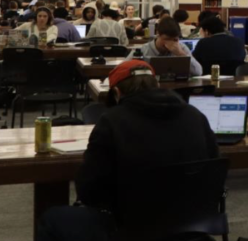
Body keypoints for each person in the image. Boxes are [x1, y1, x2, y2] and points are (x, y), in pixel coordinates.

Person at [35, 60, 219, 241]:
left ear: (116, 93)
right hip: (192, 225)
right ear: (157, 85)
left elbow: (89, 191)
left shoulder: (111, 122)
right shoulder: (196, 116)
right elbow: (215, 170)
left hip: (130, 228)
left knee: (52, 219)